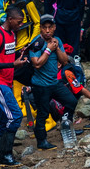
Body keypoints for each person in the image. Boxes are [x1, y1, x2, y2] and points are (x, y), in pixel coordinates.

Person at [0, 7, 29, 167]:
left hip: (7, 81)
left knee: (4, 118)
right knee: (16, 115)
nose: (20, 25)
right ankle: (6, 154)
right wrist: (12, 63)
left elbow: (5, 56)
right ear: (10, 19)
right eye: (18, 22)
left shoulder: (12, 34)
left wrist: (19, 56)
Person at [28, 15, 73, 151]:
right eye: (44, 27)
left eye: (50, 27)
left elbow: (65, 61)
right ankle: (41, 141)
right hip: (40, 85)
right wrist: (48, 50)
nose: (47, 31)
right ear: (40, 28)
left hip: (54, 82)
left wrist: (57, 48)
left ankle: (65, 125)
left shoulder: (57, 40)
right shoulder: (36, 43)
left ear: (54, 28)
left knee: (71, 101)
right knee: (43, 112)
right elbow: (36, 64)